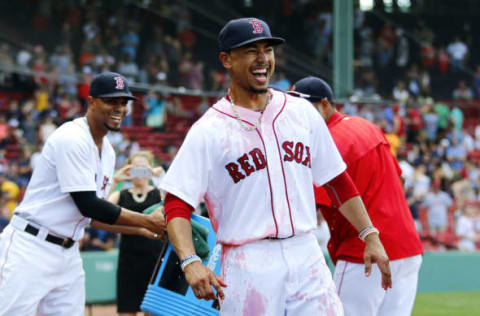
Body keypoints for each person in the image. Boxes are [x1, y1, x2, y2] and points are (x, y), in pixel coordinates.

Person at [160, 18, 391, 315]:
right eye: (251, 50)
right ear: (226, 59)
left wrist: (369, 235)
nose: (262, 59)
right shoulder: (209, 130)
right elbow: (177, 202)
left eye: (267, 49)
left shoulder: (301, 112)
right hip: (248, 260)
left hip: (306, 252)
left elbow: (337, 180)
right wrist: (190, 261)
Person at [0, 72, 166, 316]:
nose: (119, 108)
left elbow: (92, 216)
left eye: (123, 103)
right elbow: (89, 205)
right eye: (111, 101)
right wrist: (146, 220)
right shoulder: (72, 137)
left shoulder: (108, 151)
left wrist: (142, 230)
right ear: (91, 102)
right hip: (31, 246)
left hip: (68, 253)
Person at [289, 76, 423, 316]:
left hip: (364, 252)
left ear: (325, 105)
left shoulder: (326, 141)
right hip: (408, 248)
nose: (298, 115)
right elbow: (399, 179)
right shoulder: (367, 126)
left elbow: (305, 206)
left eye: (304, 108)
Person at [107, 151, 165, 316]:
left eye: (143, 168)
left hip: (155, 260)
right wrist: (116, 179)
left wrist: (158, 177)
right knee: (126, 310)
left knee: (152, 311)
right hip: (128, 260)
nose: (139, 172)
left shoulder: (159, 193)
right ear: (128, 170)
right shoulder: (120, 194)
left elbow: (173, 204)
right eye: (135, 168)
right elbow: (100, 210)